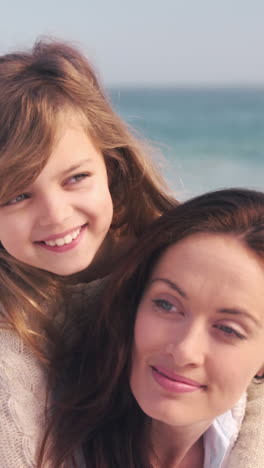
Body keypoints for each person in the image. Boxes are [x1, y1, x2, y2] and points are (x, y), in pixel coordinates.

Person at [0, 39, 176, 467]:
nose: (56, 215)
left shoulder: (182, 267)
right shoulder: (10, 331)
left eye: (75, 178)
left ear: (111, 167)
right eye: (18, 194)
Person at [48, 188, 264, 468]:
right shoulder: (35, 427)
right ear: (134, 302)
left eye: (228, 329)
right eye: (166, 305)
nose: (185, 350)